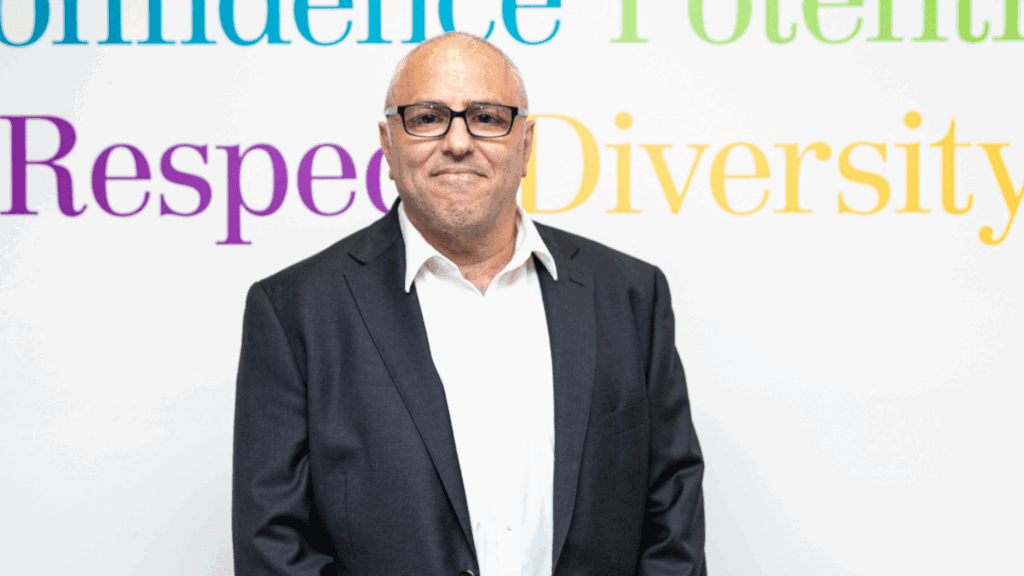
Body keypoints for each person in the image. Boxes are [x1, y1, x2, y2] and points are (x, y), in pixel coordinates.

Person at [232, 32, 706, 576]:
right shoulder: (294, 311)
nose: (458, 142)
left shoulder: (630, 296)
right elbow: (274, 546)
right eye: (427, 117)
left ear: (526, 144)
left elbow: (672, 519)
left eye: (485, 117)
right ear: (388, 144)